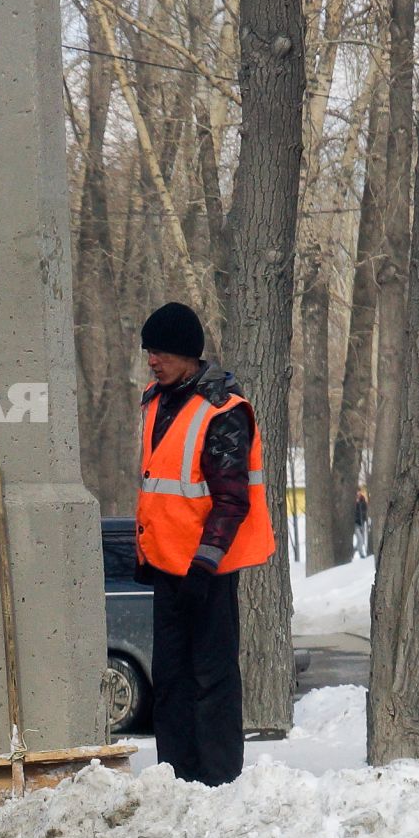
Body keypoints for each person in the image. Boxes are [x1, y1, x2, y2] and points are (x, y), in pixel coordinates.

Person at [134, 302, 276, 786]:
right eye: (148, 352)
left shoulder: (224, 412)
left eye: (161, 352)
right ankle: (176, 780)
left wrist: (202, 566)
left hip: (206, 575)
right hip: (168, 569)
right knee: (170, 682)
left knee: (211, 680)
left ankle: (218, 782)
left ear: (188, 355)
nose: (152, 360)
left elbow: (231, 501)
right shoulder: (156, 402)